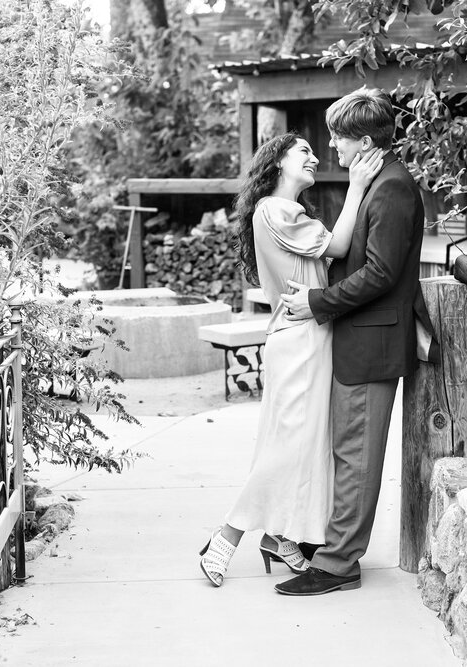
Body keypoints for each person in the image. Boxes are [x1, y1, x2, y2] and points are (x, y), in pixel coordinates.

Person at [198, 132, 385, 587]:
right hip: (302, 337)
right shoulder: (278, 210)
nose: (315, 157)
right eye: (304, 151)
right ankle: (226, 536)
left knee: (301, 446)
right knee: (287, 446)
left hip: (305, 334)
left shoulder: (280, 212)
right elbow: (339, 249)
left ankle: (281, 537)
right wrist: (357, 187)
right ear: (278, 162)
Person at [275, 88, 427, 596]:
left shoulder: (393, 188)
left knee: (357, 455)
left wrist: (319, 302)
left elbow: (381, 273)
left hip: (372, 341)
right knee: (346, 450)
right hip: (358, 338)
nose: (331, 149)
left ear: (363, 142)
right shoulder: (379, 182)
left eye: (337, 139)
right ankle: (335, 545)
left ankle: (341, 564)